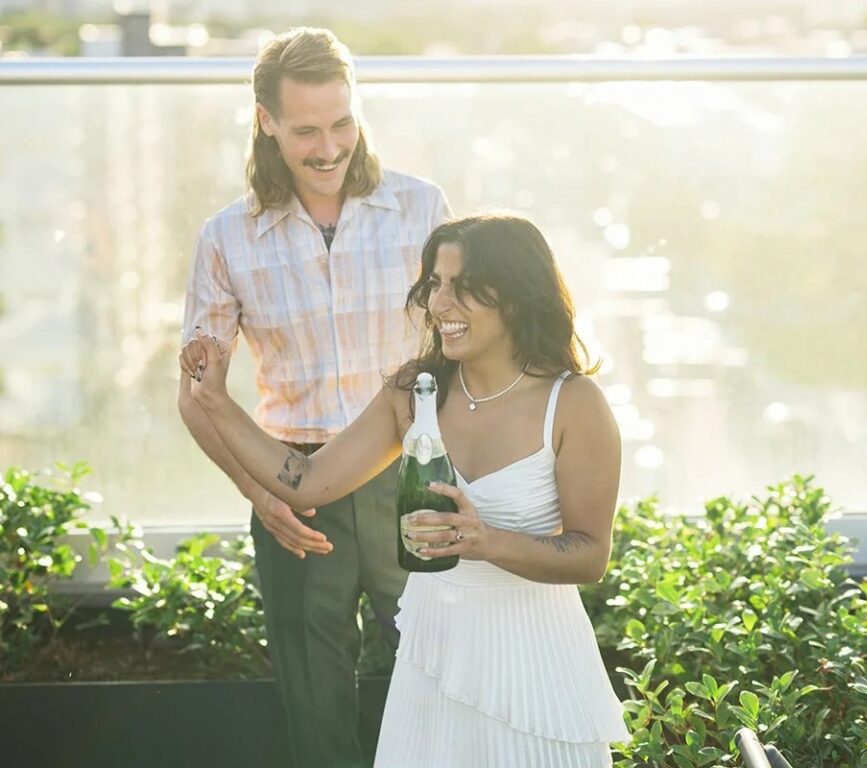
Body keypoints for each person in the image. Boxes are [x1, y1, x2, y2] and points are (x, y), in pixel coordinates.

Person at [180, 213, 631, 766]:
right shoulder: (414, 392)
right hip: (433, 661)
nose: (439, 303)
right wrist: (215, 400)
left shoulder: (575, 403)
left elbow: (590, 556)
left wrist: (486, 541)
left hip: (533, 667)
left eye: (462, 287)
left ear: (515, 296)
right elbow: (307, 482)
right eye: (435, 283)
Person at [176, 27, 450, 768]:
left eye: (341, 123)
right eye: (305, 131)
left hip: (411, 473)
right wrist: (258, 492)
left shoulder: (423, 209)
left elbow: (466, 351)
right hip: (292, 489)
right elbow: (197, 395)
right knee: (316, 716)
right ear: (265, 120)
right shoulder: (226, 238)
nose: (329, 149)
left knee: (443, 683)